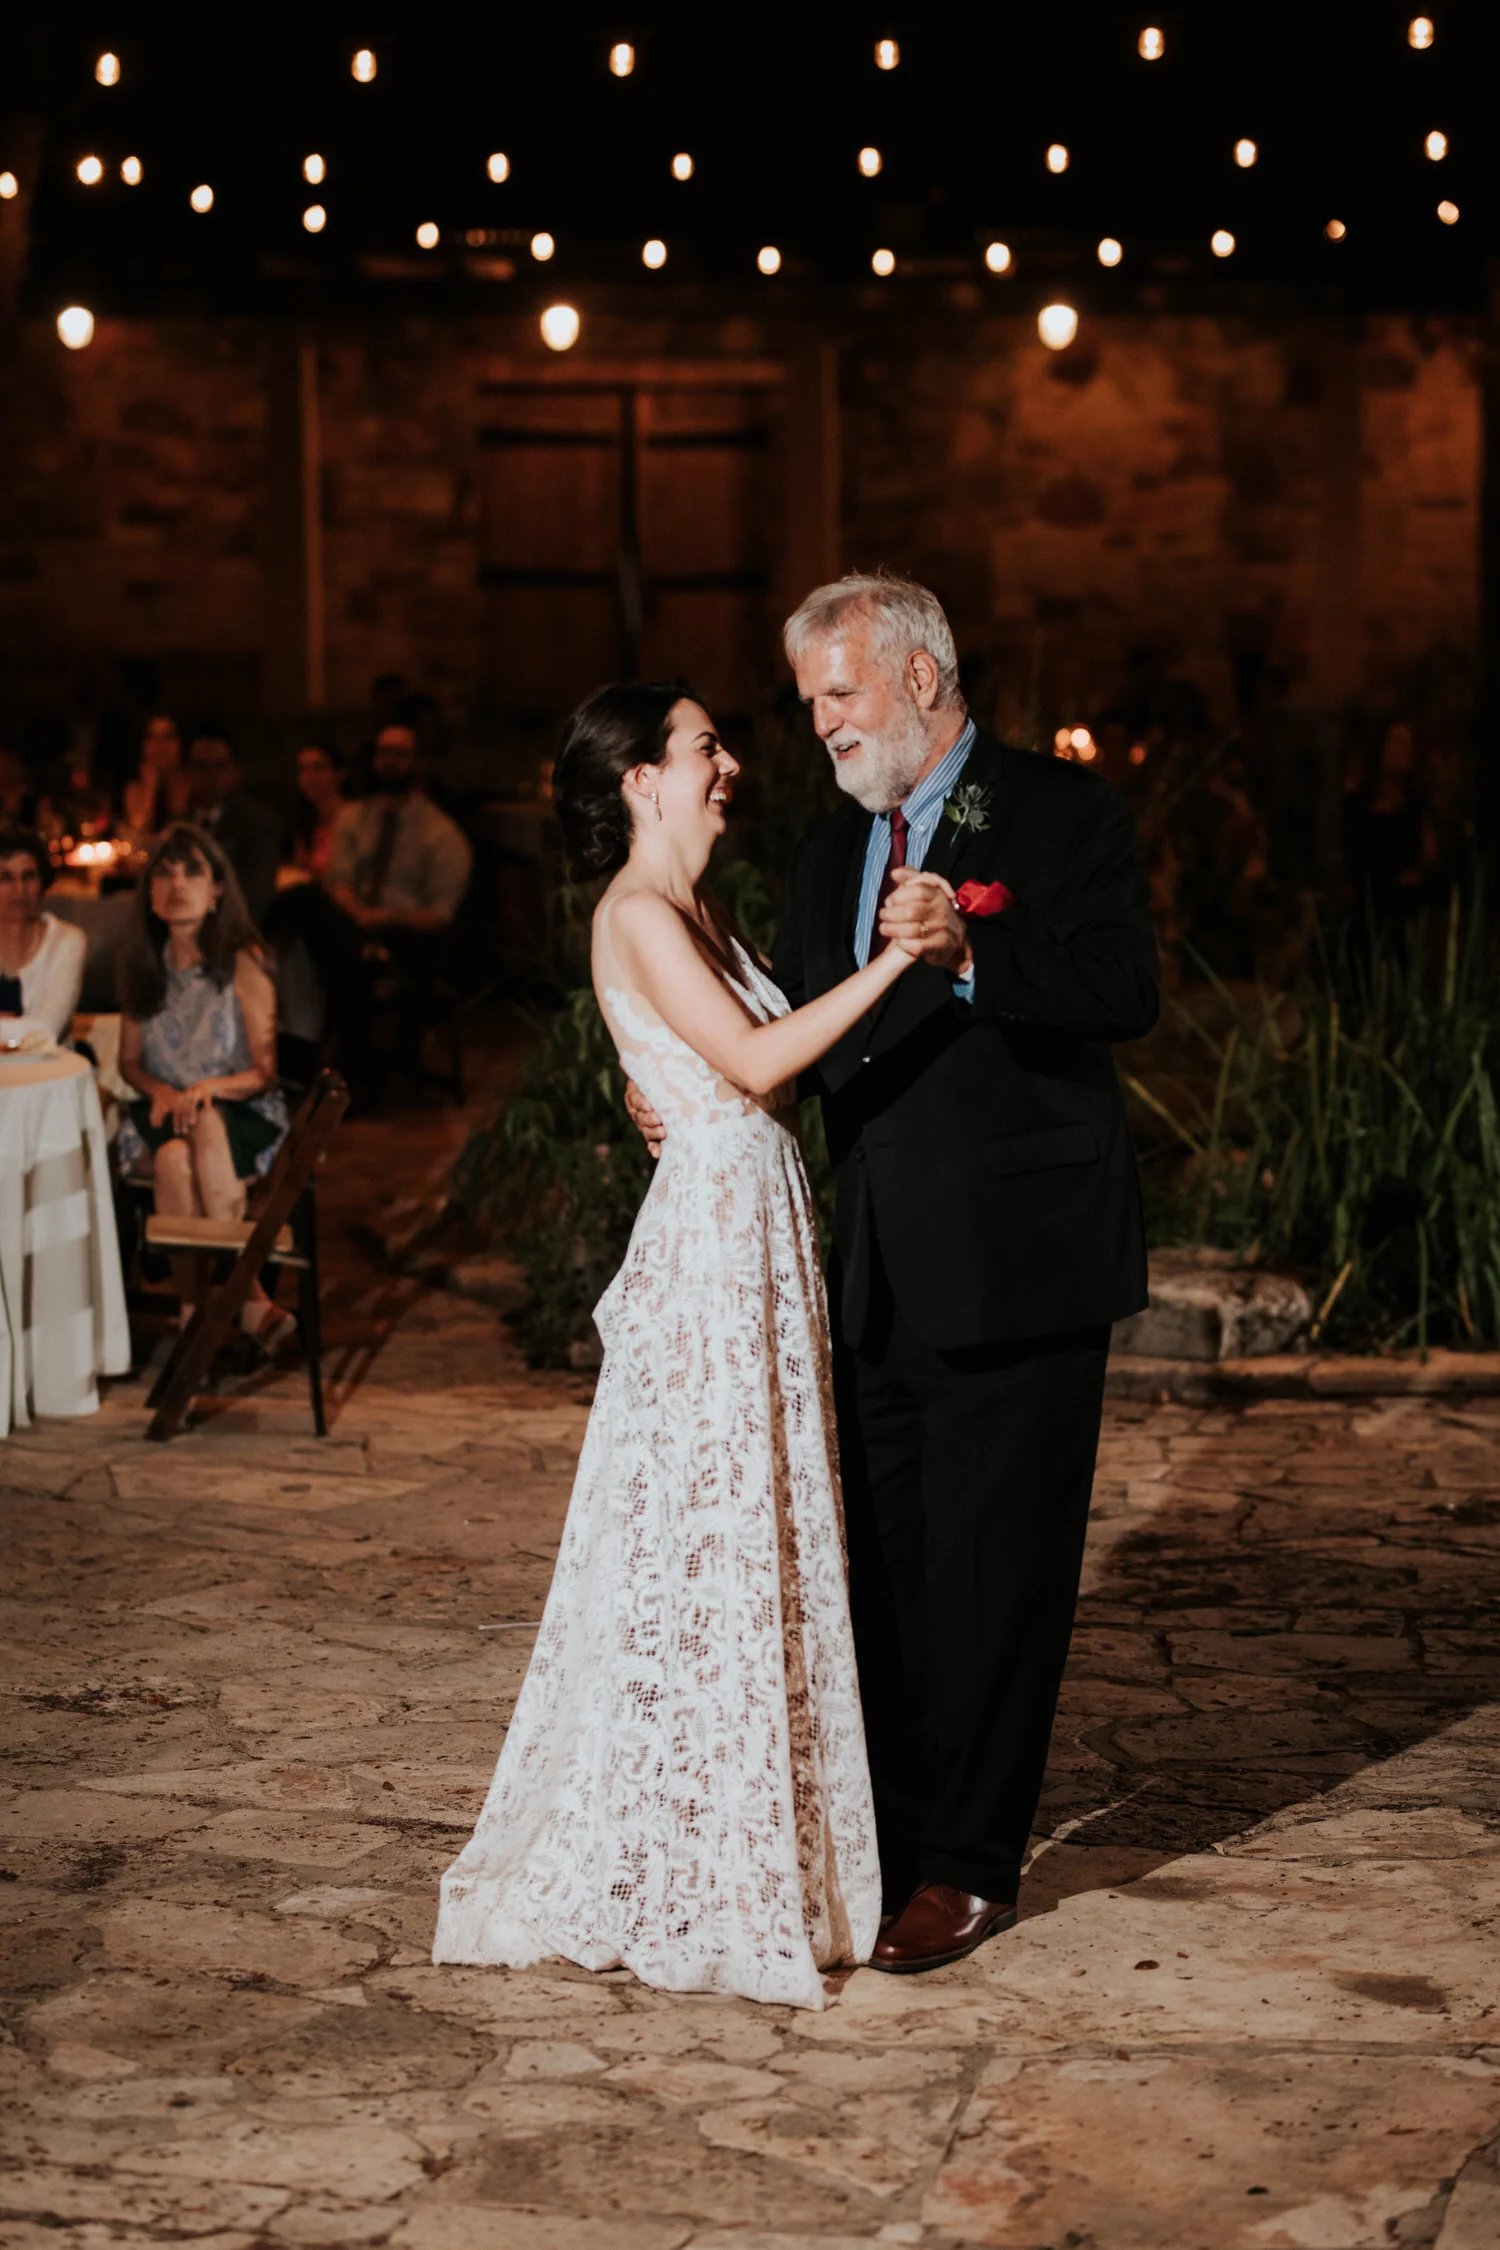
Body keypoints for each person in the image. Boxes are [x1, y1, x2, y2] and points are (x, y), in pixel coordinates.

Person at [629, 573, 1159, 1974]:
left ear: (924, 678)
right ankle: (897, 1838)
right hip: (866, 1271)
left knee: (1003, 1574)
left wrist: (978, 947)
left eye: (842, 694)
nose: (823, 726)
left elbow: (1123, 986)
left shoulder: (1056, 811)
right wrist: (692, 1098)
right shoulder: (823, 855)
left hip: (1017, 1264)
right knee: (895, 1573)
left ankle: (972, 1866)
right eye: (810, 705)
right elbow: (799, 1037)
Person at [435, 682, 934, 2008]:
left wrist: (649, 1078)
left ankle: (755, 1848)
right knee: (708, 1536)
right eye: (702, 743)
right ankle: (697, 1865)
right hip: (712, 1255)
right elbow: (756, 1064)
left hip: (750, 1232)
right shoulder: (643, 913)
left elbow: (699, 1059)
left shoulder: (696, 912)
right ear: (639, 779)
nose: (729, 761)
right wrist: (900, 960)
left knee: (757, 1529)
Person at [115, 823, 293, 1348]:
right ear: (149, 893)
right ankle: (243, 1303)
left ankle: (201, 1313)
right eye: (164, 874)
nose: (177, 885)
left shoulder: (244, 960)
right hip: (164, 1112)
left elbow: (265, 1072)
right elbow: (129, 1063)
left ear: (218, 890)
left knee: (205, 1126)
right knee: (172, 1157)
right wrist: (163, 1092)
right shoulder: (141, 964)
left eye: (194, 872)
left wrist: (205, 1091)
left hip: (242, 1109)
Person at [316, 721, 472, 1094]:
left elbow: (441, 912)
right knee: (312, 918)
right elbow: (337, 878)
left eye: (400, 754)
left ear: (418, 762)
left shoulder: (440, 832)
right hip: (351, 923)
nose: (390, 762)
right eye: (384, 752)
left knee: (352, 962)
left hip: (409, 934)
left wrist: (383, 917)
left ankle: (359, 1077)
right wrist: (358, 915)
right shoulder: (353, 818)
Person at [183, 727, 281, 927]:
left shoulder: (256, 825)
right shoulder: (180, 823)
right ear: (188, 773)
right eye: (201, 767)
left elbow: (255, 897)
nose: (210, 776)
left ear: (234, 772)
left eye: (220, 766)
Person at [0, 824, 86, 1042]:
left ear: (43, 883)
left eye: (29, 877)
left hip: (50, 1074)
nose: (20, 890)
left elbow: (46, 1030)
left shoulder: (68, 941)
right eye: (6, 878)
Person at [119, 713, 192, 845]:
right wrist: (150, 789)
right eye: (153, 737)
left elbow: (183, 837)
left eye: (168, 737)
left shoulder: (193, 784)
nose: (160, 745)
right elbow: (137, 839)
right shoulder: (134, 789)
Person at [288, 741, 348, 880]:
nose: (309, 776)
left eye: (318, 768)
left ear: (339, 773)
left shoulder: (355, 821)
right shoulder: (306, 821)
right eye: (303, 769)